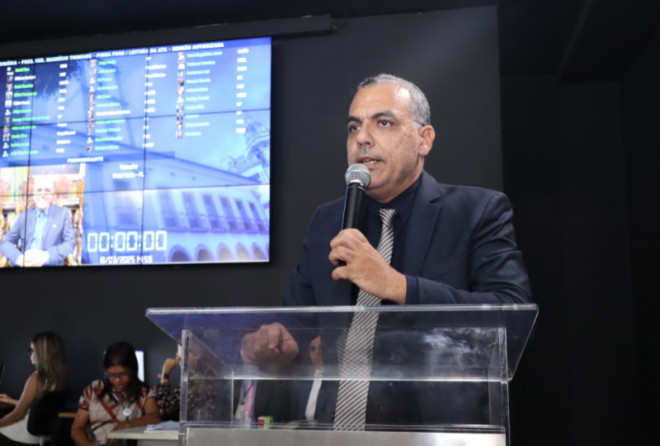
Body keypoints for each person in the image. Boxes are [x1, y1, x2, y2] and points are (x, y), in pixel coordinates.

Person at [243, 73, 532, 425]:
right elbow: (295, 326)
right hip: (335, 432)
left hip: (436, 432)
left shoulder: (476, 212)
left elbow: (511, 314)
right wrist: (275, 345)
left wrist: (397, 285)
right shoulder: (327, 221)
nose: (362, 138)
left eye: (383, 123)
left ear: (424, 139)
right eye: (354, 127)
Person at [71, 342, 160, 446]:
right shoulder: (93, 389)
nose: (117, 380)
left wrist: (125, 425)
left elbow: (154, 416)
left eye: (123, 374)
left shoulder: (145, 392)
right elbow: (77, 428)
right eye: (112, 375)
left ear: (133, 370)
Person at [0, 332, 69, 445]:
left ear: (42, 353)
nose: (30, 354)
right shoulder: (61, 379)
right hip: (42, 437)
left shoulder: (36, 378)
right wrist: (10, 400)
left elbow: (17, 416)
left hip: (24, 435)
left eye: (32, 350)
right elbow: (39, 408)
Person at [0, 177, 75, 267]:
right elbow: (6, 242)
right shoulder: (24, 216)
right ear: (34, 195)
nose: (42, 194)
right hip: (26, 267)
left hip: (51, 268)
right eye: (39, 190)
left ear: (52, 195)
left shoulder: (62, 214)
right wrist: (19, 259)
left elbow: (70, 244)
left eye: (47, 190)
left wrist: (46, 257)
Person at [155, 345, 181, 421]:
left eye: (180, 349)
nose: (176, 353)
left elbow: (163, 409)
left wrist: (166, 372)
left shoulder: (193, 383)